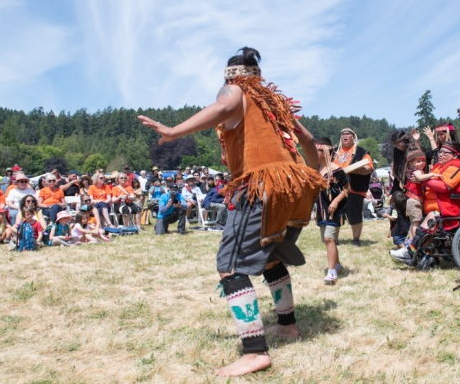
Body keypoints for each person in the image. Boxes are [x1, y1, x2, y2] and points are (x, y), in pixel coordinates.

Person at [138, 46, 324, 377]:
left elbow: (223, 105)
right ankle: (287, 326)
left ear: (231, 75)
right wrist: (317, 172)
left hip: (259, 184)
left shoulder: (235, 89)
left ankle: (254, 352)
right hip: (291, 185)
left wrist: (172, 131)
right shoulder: (273, 102)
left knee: (230, 266)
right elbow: (308, 139)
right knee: (269, 257)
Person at [402, 141, 460, 268]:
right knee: (422, 220)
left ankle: (411, 251)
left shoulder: (457, 167)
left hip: (455, 208)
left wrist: (422, 181)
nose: (440, 155)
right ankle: (423, 255)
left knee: (432, 217)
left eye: (445, 153)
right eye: (440, 152)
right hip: (438, 206)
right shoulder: (440, 166)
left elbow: (443, 186)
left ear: (455, 155)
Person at [314, 137, 348, 284]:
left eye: (317, 150)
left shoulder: (337, 170)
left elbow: (347, 189)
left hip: (335, 210)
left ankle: (332, 272)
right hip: (322, 211)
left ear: (326, 151)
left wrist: (335, 200)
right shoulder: (316, 170)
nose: (314, 153)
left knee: (329, 239)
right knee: (327, 240)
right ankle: (337, 264)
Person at [333, 127, 373, 247]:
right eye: (343, 134)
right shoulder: (334, 151)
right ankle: (334, 239)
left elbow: (369, 168)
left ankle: (356, 239)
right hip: (336, 188)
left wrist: (359, 170)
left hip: (354, 188)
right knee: (335, 213)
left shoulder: (361, 152)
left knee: (354, 214)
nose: (345, 135)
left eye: (348, 134)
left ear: (353, 137)